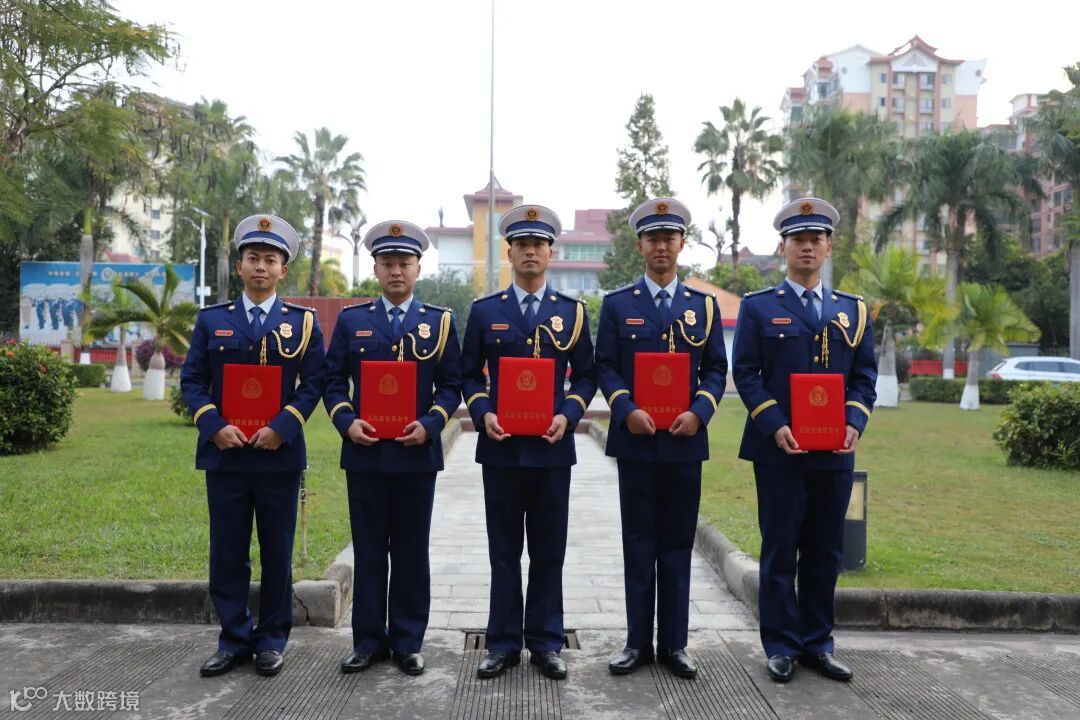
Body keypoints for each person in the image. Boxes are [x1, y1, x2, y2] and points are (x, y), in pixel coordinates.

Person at [732, 197, 877, 684]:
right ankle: (780, 646)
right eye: (798, 239)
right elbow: (746, 372)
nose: (807, 247)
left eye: (816, 239)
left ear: (829, 247)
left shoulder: (853, 310)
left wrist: (854, 421)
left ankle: (818, 643)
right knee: (780, 550)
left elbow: (864, 377)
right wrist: (775, 423)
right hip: (779, 450)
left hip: (834, 450)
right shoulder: (758, 307)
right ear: (784, 248)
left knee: (824, 550)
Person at [180, 214, 326, 678]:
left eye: (270, 260)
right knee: (227, 550)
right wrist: (213, 425)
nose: (261, 266)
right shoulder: (212, 320)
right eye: (253, 258)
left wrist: (284, 426)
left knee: (277, 551)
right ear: (240, 265)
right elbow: (193, 380)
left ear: (284, 269)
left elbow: (315, 383)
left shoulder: (302, 323)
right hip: (225, 454)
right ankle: (234, 639)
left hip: (278, 455)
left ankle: (272, 640)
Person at [461, 204, 597, 680]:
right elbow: (467, 375)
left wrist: (568, 414)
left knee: (548, 551)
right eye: (522, 244)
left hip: (551, 449)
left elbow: (587, 376)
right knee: (503, 552)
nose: (530, 251)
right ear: (510, 253)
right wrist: (483, 412)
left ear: (551, 252)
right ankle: (501, 643)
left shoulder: (571, 313)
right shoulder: (485, 312)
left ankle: (544, 641)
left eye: (539, 244)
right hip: (500, 448)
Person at [595, 197, 728, 679]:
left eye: (669, 238)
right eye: (652, 238)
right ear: (640, 246)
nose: (661, 246)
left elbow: (716, 369)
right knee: (638, 544)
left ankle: (674, 644)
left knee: (676, 545)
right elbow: (605, 366)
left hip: (684, 442)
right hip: (636, 442)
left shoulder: (703, 306)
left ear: (681, 244)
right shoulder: (617, 305)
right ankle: (636, 643)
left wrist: (699, 411)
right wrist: (625, 409)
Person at [323, 220, 463, 676]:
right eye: (387, 263)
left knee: (410, 551)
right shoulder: (353, 321)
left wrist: (431, 424)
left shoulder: (439, 322)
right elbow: (332, 381)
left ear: (418, 268)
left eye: (404, 263)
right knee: (368, 551)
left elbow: (452, 385)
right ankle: (367, 642)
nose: (396, 271)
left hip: (415, 455)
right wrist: (347, 421)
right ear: (376, 269)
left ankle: (407, 642)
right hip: (365, 453)